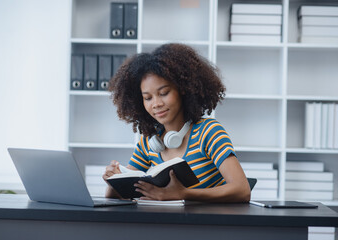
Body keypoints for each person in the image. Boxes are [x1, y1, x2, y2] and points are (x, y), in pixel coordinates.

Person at [103, 43, 251, 202]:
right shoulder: (149, 141)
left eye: (164, 93)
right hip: (168, 224)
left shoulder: (208, 132)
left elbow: (242, 190)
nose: (156, 104)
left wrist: (183, 193)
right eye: (148, 98)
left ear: (183, 90)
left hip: (208, 224)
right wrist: (114, 180)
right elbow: (118, 195)